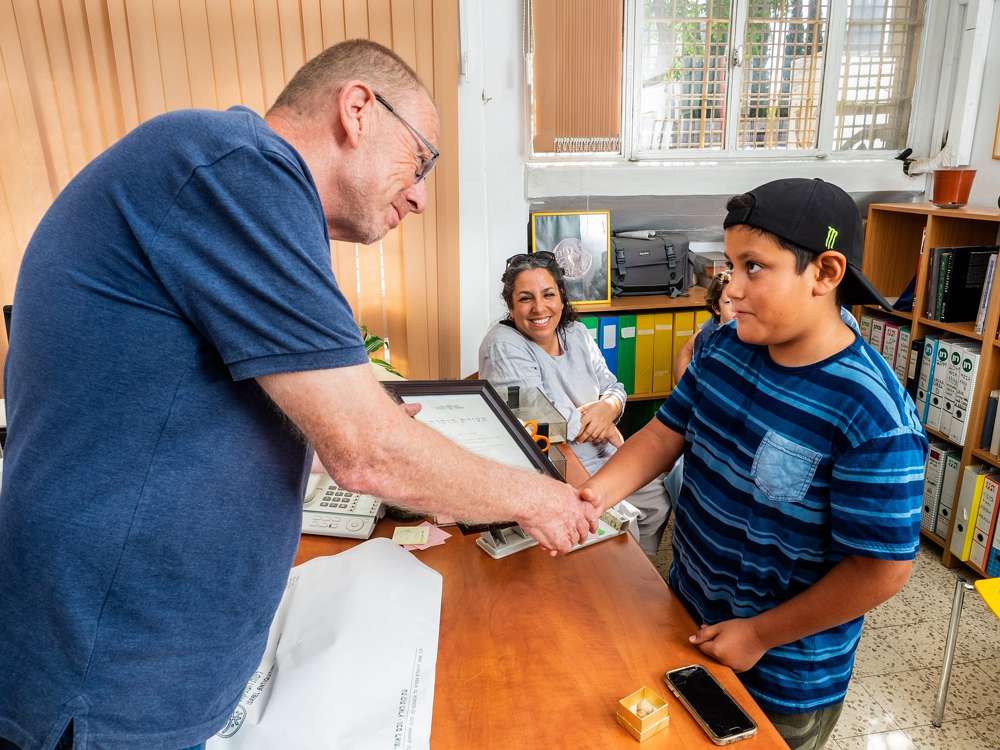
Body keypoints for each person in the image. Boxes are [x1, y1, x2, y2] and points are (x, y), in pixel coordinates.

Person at [0, 40, 599, 750]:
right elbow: (367, 451)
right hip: (112, 677)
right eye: (422, 161)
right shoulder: (237, 168)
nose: (419, 195)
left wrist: (345, 446)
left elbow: (191, 410)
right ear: (357, 110)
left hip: (148, 661)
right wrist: (541, 497)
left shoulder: (234, 179)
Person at [580, 178, 927, 750]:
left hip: (779, 674)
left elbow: (881, 569)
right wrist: (587, 500)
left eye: (753, 267)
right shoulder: (725, 347)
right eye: (729, 264)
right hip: (685, 618)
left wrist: (761, 634)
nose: (730, 288)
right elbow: (666, 433)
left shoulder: (872, 413)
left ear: (825, 272)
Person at [478, 252, 671, 556]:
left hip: (602, 453)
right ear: (511, 307)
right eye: (526, 298)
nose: (539, 308)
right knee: (619, 526)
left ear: (562, 297)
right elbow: (542, 422)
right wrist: (601, 424)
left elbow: (614, 387)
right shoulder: (502, 344)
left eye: (548, 294)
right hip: (553, 462)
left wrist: (607, 408)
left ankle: (638, 582)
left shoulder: (576, 333)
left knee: (656, 498)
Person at [673, 270, 734, 383]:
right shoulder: (708, 335)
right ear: (716, 308)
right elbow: (688, 349)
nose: (736, 308)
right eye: (728, 302)